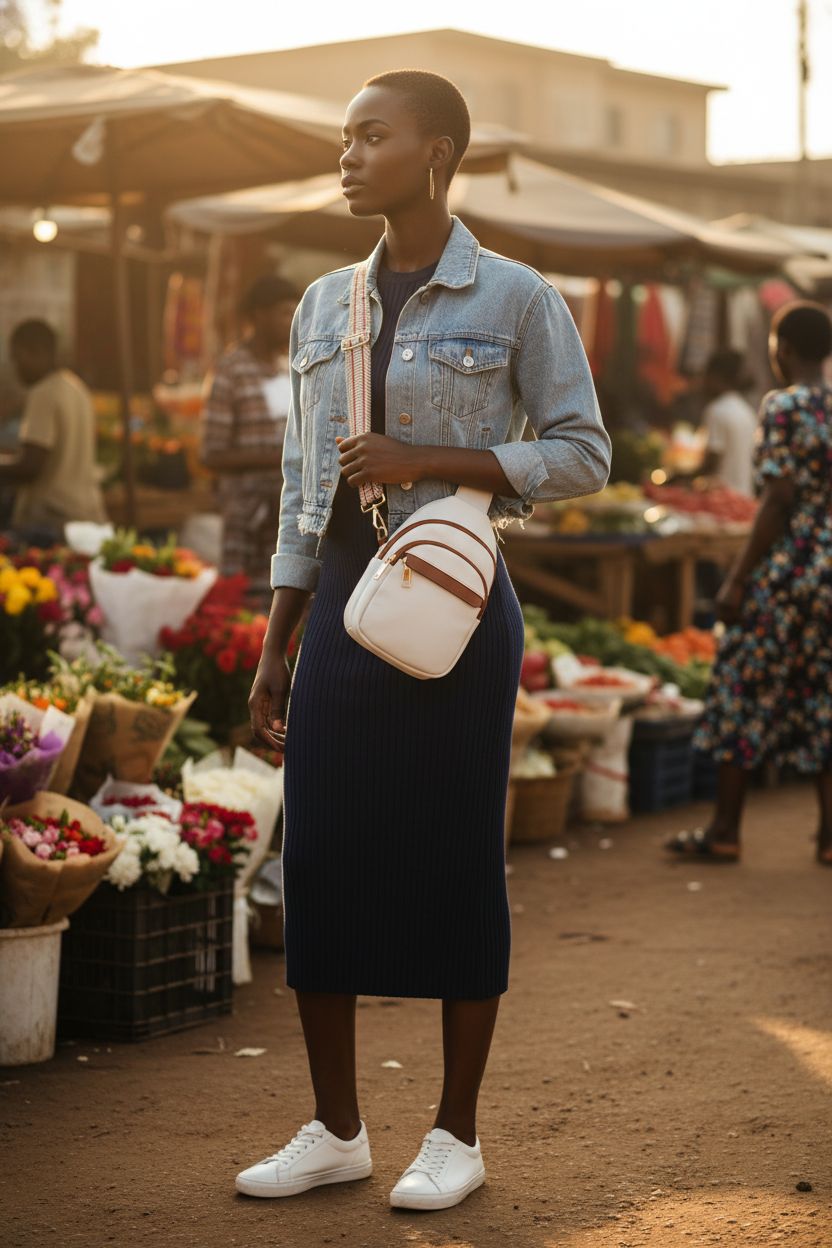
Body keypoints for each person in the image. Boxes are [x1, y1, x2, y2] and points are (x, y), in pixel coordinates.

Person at [241, 70, 610, 1212]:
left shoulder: (515, 297)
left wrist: (433, 462)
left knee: (454, 861)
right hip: (342, 616)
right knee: (325, 861)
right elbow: (307, 491)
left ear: (436, 152)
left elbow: (584, 451)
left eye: (371, 136)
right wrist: (274, 639)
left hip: (455, 610)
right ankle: (336, 1127)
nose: (347, 154)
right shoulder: (320, 309)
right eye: (344, 137)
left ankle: (454, 1134)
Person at [668, 301, 832, 865]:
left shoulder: (783, 405)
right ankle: (830, 837)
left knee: (740, 686)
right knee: (824, 696)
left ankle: (724, 829)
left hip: (789, 574)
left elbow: (778, 499)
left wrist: (737, 580)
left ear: (782, 349)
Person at [200, 274, 299, 602]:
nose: (292, 321)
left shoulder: (288, 368)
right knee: (242, 606)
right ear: (259, 315)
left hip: (284, 516)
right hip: (246, 519)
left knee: (283, 600)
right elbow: (212, 455)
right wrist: (279, 457)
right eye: (284, 313)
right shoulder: (231, 370)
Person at [0, 319, 107, 543]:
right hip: (86, 515)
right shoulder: (75, 387)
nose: (16, 367)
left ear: (38, 353)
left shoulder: (43, 392)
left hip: (52, 522)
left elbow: (31, 466)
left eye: (18, 358)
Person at [699, 349, 758, 495]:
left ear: (716, 377)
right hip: (745, 496)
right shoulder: (747, 411)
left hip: (722, 497)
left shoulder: (716, 410)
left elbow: (712, 461)